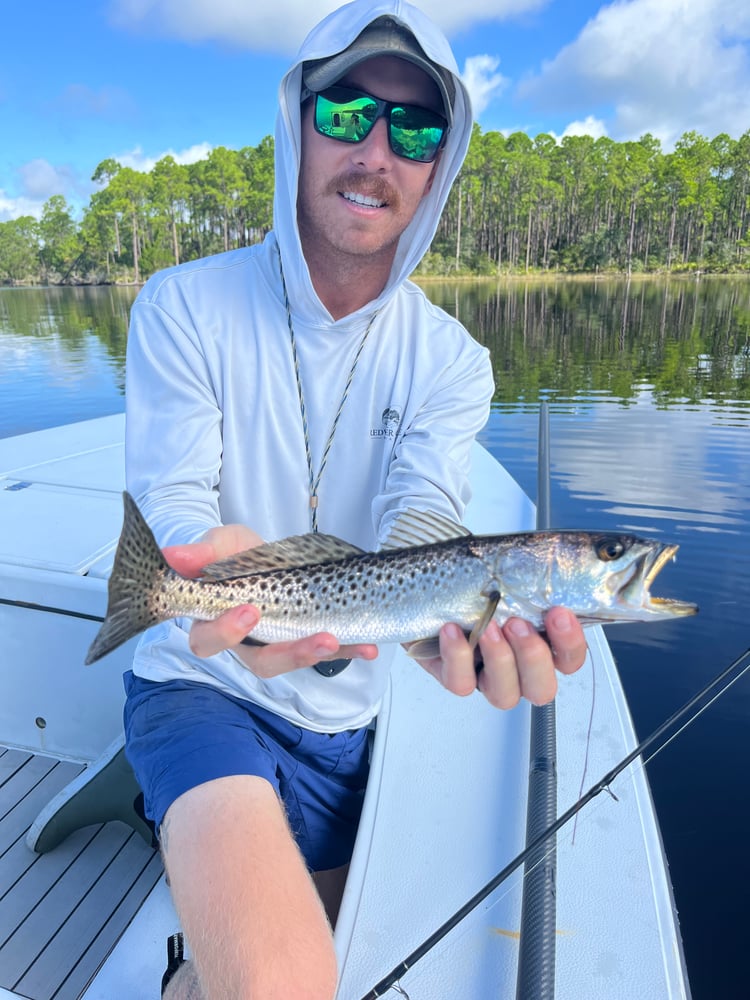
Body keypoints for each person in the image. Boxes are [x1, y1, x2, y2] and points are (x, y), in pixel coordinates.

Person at [122, 1, 588, 996]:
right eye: (347, 112)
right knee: (284, 981)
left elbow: (425, 512)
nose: (377, 148)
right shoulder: (181, 301)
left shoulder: (454, 361)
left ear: (438, 164)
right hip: (200, 681)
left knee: (313, 941)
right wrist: (213, 579)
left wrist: (453, 627)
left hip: (350, 712)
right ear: (297, 120)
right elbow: (175, 493)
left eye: (416, 128)